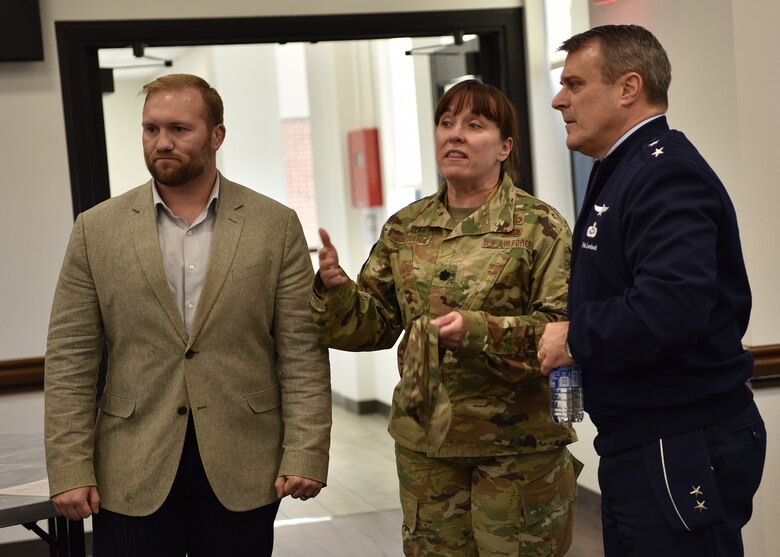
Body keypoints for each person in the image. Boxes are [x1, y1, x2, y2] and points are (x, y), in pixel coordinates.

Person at [44, 73, 331, 556]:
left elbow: (302, 351)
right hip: (132, 464)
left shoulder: (274, 225)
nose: (162, 142)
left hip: (244, 462)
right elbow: (71, 358)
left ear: (216, 136)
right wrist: (70, 467)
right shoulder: (97, 229)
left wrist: (306, 452)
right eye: (151, 129)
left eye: (179, 129)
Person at [312, 79, 580, 556]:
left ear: (505, 147)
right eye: (446, 123)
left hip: (517, 448)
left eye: (474, 125)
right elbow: (372, 326)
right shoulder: (406, 226)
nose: (454, 135)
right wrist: (335, 291)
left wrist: (477, 330)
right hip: (428, 446)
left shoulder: (540, 226)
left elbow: (562, 331)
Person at [538, 25, 766, 556]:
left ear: (628, 87)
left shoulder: (665, 173)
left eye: (574, 84)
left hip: (678, 438)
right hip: (644, 438)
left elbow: (670, 308)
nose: (559, 99)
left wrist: (575, 336)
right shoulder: (622, 167)